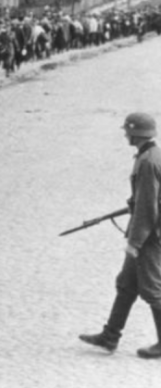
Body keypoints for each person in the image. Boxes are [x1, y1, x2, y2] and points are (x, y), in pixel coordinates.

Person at [80, 113, 161, 358]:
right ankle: (110, 336)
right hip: (147, 230)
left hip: (150, 236)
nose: (125, 134)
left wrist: (135, 243)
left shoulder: (148, 161)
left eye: (127, 131)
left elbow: (148, 206)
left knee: (152, 289)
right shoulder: (150, 156)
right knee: (126, 285)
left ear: (136, 133)